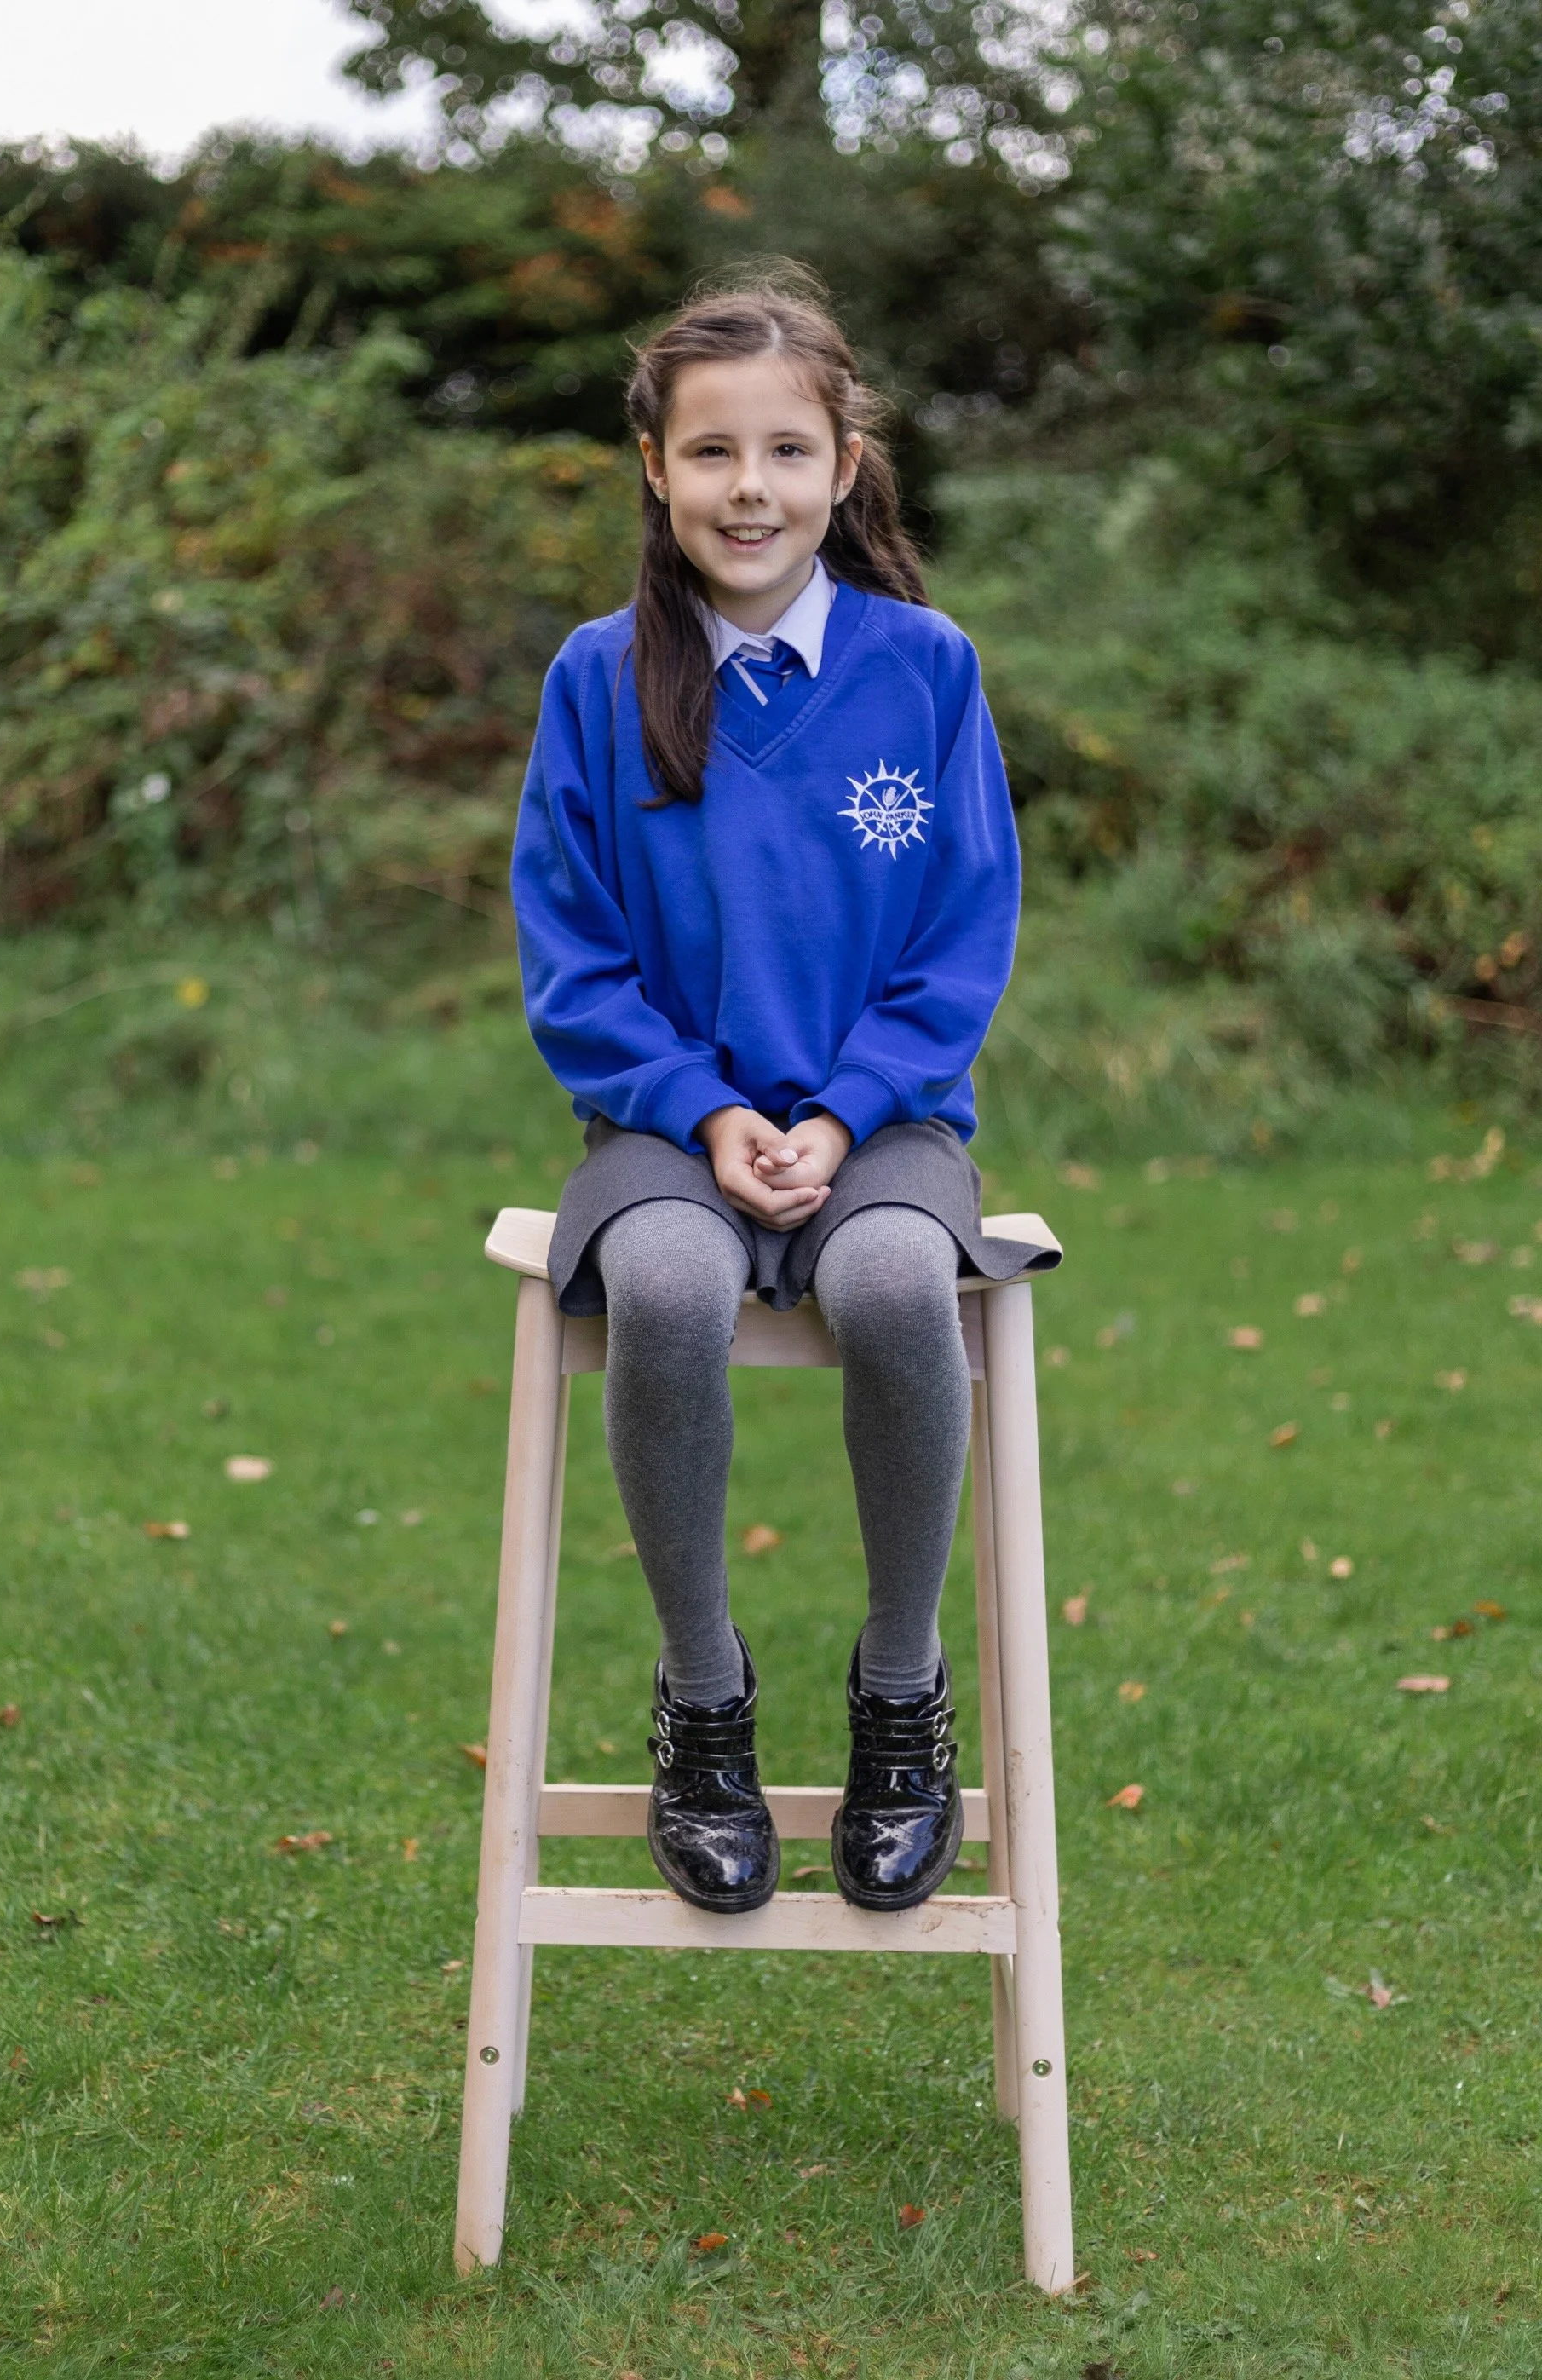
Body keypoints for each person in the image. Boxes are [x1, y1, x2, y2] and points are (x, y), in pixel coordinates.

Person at [510, 268, 1051, 1918]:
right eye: (713, 454)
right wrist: (701, 1109)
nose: (751, 489)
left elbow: (966, 931)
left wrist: (846, 1107)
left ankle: (901, 1697)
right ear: (656, 473)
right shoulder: (600, 682)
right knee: (667, 1284)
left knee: (897, 1281)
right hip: (661, 1134)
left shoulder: (925, 668)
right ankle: (703, 1701)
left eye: (788, 453)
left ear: (844, 465)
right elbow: (572, 958)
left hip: (884, 1126)